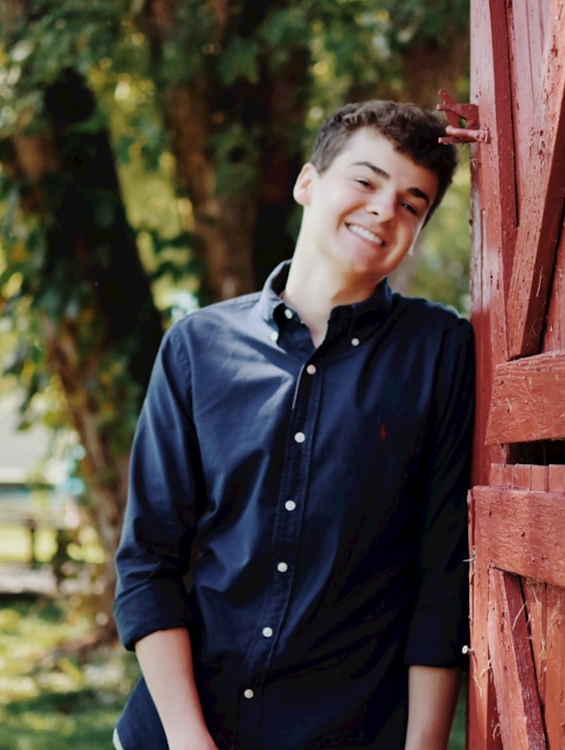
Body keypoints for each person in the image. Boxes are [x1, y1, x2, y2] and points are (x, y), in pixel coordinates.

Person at [112, 99, 474, 750]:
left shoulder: (439, 351)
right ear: (308, 183)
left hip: (346, 732)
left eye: (412, 203)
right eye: (365, 181)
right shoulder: (196, 347)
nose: (383, 209)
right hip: (179, 730)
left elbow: (441, 576)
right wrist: (190, 743)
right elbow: (148, 564)